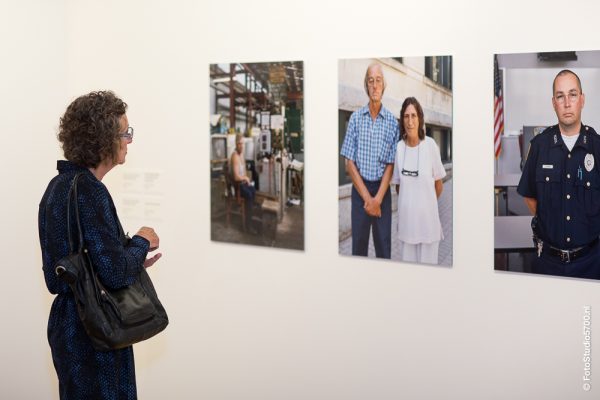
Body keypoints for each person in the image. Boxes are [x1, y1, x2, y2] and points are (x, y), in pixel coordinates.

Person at [38, 91, 163, 399]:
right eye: (125, 133)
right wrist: (140, 242)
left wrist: (130, 257)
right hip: (96, 332)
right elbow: (116, 274)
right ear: (105, 139)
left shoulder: (56, 188)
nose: (129, 141)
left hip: (67, 326)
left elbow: (59, 276)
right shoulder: (91, 192)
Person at [517, 69, 600, 279]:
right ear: (553, 102)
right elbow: (529, 195)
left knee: (586, 313)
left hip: (591, 262)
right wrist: (552, 220)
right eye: (560, 96)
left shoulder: (597, 147)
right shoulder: (539, 146)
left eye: (572, 94)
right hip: (547, 262)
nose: (567, 102)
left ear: (582, 100)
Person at [340, 62, 399, 258]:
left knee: (383, 248)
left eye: (378, 81)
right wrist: (368, 199)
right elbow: (349, 162)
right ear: (366, 86)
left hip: (382, 192)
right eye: (371, 81)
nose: (375, 85)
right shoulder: (356, 119)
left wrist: (378, 200)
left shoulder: (392, 122)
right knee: (358, 247)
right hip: (360, 193)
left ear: (384, 86)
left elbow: (391, 165)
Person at [391, 97, 446, 264]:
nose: (410, 121)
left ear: (420, 119)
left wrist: (424, 203)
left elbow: (438, 184)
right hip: (407, 226)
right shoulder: (399, 148)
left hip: (427, 225)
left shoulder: (430, 146)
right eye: (406, 116)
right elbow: (399, 186)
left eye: (413, 116)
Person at [230, 133, 257, 233]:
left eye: (243, 143)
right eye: (239, 144)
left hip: (242, 183)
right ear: (236, 144)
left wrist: (247, 180)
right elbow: (237, 177)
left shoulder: (242, 155)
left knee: (253, 190)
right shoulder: (235, 156)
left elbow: (244, 172)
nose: (242, 146)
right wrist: (245, 178)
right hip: (237, 186)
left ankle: (249, 215)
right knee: (249, 195)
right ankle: (248, 226)